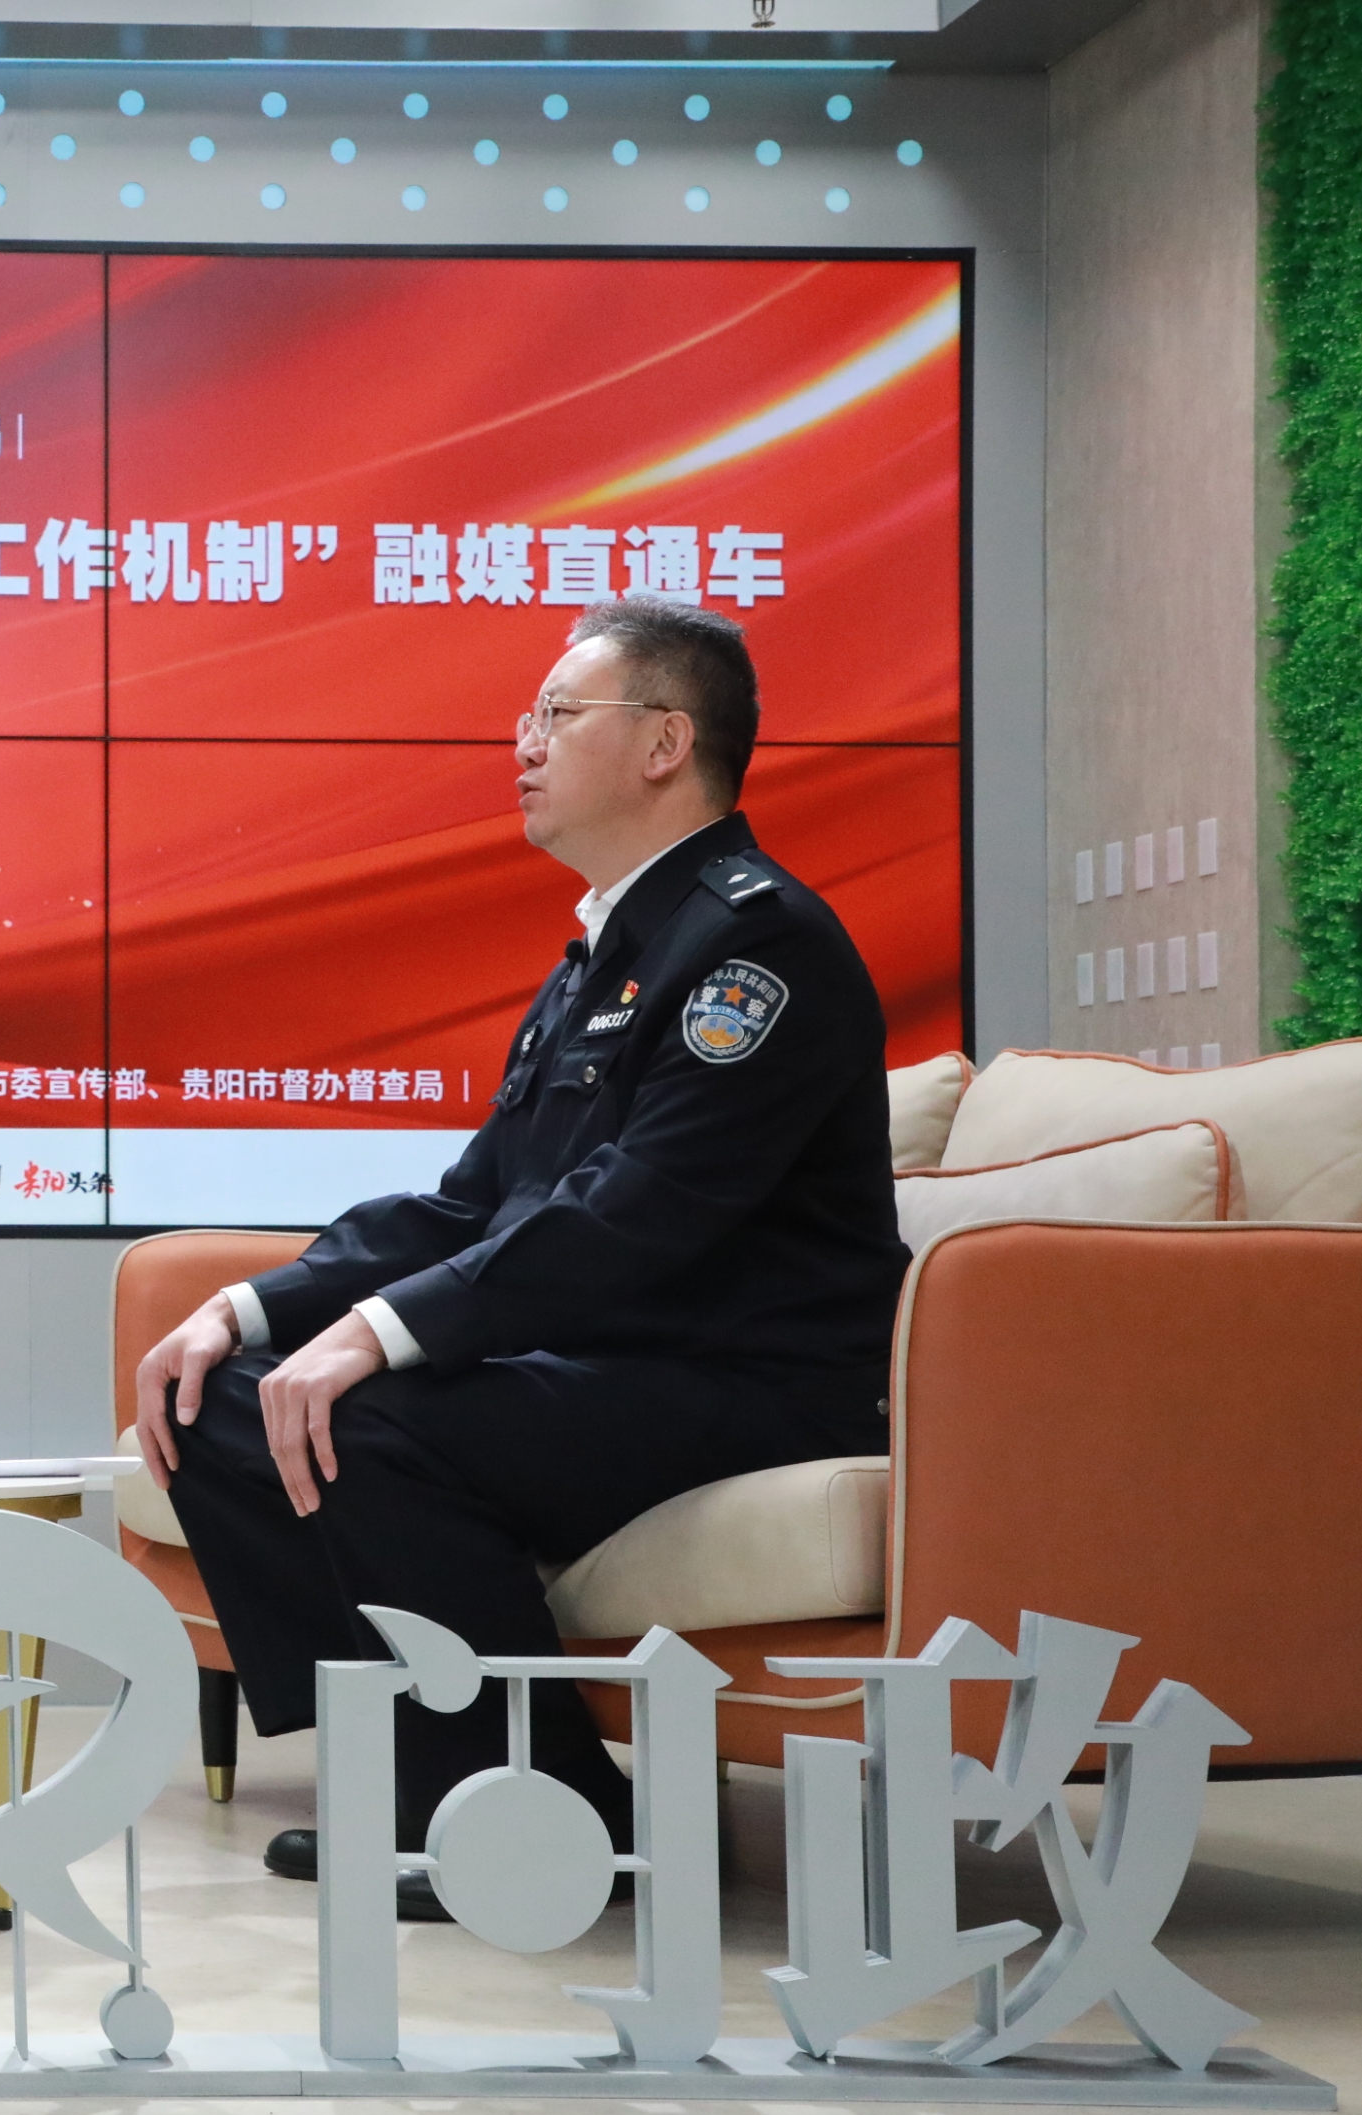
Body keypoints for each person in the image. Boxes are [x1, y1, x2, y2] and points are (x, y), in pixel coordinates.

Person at [130, 596, 907, 1915]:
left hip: (746, 1382)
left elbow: (635, 1211)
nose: (523, 742)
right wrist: (249, 1309)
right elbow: (473, 1202)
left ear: (663, 742)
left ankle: (548, 1819)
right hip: (614, 1369)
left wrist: (374, 1336)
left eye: (557, 712)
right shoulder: (601, 955)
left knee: (365, 1421)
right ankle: (424, 1782)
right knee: (219, 1404)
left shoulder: (753, 941)